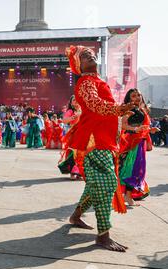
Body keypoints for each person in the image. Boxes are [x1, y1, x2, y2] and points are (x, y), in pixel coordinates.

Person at [65, 45, 135, 252]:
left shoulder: (97, 81)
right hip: (93, 141)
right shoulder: (85, 82)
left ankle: (76, 216)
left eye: (92, 54)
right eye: (85, 56)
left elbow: (103, 112)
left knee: (94, 185)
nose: (91, 56)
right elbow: (95, 104)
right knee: (106, 183)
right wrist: (118, 108)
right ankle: (103, 235)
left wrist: (121, 116)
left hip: (103, 141)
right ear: (78, 64)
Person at [119, 89, 159, 206]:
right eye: (133, 96)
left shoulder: (140, 109)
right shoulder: (129, 109)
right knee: (132, 169)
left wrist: (150, 130)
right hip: (131, 143)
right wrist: (136, 129)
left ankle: (128, 195)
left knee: (137, 169)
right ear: (129, 98)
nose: (137, 97)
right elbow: (123, 124)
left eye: (138, 95)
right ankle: (128, 196)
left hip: (140, 142)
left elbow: (142, 127)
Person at [58, 96, 82, 180]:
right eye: (74, 100)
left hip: (84, 134)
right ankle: (73, 172)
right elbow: (64, 120)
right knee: (73, 152)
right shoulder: (70, 111)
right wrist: (73, 117)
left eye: (77, 100)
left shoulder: (83, 110)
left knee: (83, 153)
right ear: (71, 103)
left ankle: (80, 172)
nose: (76, 102)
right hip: (74, 134)